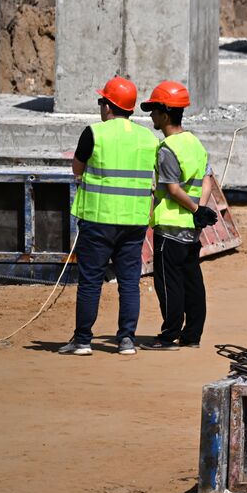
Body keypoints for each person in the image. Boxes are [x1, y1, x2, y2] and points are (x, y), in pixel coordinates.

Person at [58, 77, 159, 357]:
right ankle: (126, 339)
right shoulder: (148, 139)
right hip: (134, 220)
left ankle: (83, 341)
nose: (101, 106)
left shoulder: (94, 133)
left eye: (102, 101)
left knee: (90, 281)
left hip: (98, 219)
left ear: (109, 106)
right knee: (129, 283)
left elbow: (77, 169)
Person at [140, 81, 218, 351]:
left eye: (153, 110)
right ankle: (192, 335)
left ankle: (168, 335)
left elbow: (172, 189)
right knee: (192, 281)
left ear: (164, 113)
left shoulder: (167, 149)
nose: (151, 116)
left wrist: (197, 210)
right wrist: (201, 209)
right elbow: (207, 177)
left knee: (168, 283)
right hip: (191, 230)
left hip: (171, 228)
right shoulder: (194, 143)